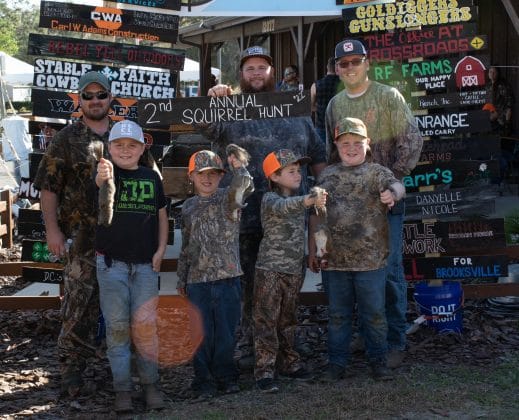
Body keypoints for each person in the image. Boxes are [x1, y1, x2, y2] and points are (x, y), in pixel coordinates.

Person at [204, 46, 326, 352]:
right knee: (247, 287)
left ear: (272, 72)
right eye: (250, 68)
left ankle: (284, 350)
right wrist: (212, 99)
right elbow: (206, 128)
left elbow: (319, 159)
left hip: (289, 218)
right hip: (244, 217)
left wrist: (324, 207)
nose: (257, 73)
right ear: (241, 75)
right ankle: (252, 348)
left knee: (286, 286)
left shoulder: (295, 110)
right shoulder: (230, 107)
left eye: (262, 67)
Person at [324, 39, 423, 368]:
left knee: (390, 272)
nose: (350, 68)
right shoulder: (335, 104)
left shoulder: (387, 96)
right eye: (344, 63)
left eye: (356, 61)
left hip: (384, 202)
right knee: (349, 272)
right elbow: (329, 152)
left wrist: (391, 183)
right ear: (337, 68)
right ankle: (366, 336)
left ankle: (394, 340)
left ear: (367, 63)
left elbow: (412, 138)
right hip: (346, 208)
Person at [33, 71, 113, 397]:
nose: (95, 101)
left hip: (123, 238)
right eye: (88, 95)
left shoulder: (126, 135)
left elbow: (149, 182)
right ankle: (71, 372)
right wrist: (52, 230)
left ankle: (120, 370)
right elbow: (48, 190)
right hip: (82, 238)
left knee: (122, 305)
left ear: (111, 97)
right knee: (78, 306)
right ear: (80, 100)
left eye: (101, 94)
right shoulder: (66, 138)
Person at [310, 117, 405, 381]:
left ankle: (378, 362)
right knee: (338, 316)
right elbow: (316, 216)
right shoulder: (327, 175)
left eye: (357, 143)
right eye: (345, 143)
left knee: (374, 314)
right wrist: (314, 251)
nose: (351, 148)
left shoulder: (376, 172)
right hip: (335, 262)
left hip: (371, 263)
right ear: (337, 146)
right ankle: (336, 364)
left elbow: (398, 185)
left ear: (367, 144)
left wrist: (393, 194)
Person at [95, 120, 168, 413]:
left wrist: (161, 250)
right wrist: (101, 175)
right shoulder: (104, 175)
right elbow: (100, 183)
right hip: (111, 265)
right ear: (109, 148)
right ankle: (122, 389)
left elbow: (162, 217)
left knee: (146, 329)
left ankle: (151, 385)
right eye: (119, 145)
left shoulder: (152, 178)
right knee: (117, 329)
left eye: (132, 145)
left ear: (142, 148)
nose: (125, 150)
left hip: (145, 267)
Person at [176, 148, 254, 399]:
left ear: (221, 176)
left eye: (213, 174)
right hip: (197, 281)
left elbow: (245, 184)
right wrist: (182, 278)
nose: (207, 178)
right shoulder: (187, 207)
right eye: (201, 174)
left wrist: (238, 167)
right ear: (191, 176)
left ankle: (226, 376)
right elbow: (186, 246)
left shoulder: (230, 198)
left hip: (227, 278)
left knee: (226, 332)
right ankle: (203, 379)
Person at [254, 149, 327, 393]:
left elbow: (312, 224)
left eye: (299, 171)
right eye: (291, 171)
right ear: (274, 177)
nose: (298, 175)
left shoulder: (301, 201)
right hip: (270, 270)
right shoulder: (270, 200)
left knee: (288, 319)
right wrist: (309, 199)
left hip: (294, 269)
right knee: (266, 320)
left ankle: (289, 363)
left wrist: (315, 251)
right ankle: (264, 370)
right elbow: (285, 207)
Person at [311, 57, 341, 143]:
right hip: (337, 126)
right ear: (337, 68)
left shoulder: (316, 85)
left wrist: (320, 108)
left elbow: (310, 107)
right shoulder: (343, 85)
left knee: (322, 153)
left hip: (321, 125)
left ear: (327, 67)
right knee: (338, 153)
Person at [486, 66, 514, 136]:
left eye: (494, 72)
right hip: (490, 117)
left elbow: (509, 103)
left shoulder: (503, 85)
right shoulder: (488, 86)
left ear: (498, 73)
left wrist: (507, 120)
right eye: (490, 72)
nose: (492, 74)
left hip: (502, 118)